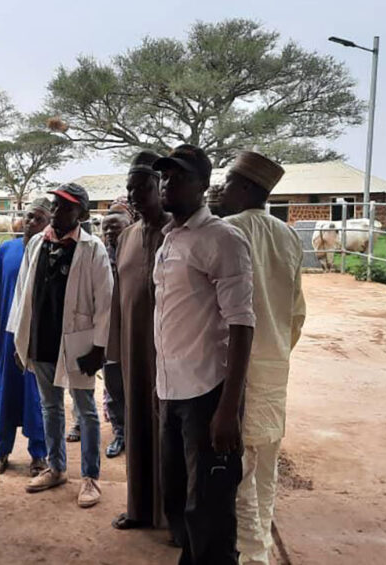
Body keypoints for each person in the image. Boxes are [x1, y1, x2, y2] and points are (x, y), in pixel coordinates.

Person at [152, 144, 255, 564]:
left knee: (210, 509)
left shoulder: (221, 239)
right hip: (171, 389)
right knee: (179, 500)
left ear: (203, 186)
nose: (167, 183)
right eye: (164, 176)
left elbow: (242, 324)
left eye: (179, 177)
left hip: (208, 392)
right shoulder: (170, 238)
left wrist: (228, 408)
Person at [220, 151, 306, 565]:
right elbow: (297, 313)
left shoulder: (226, 231)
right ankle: (257, 549)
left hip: (235, 372)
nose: (222, 186)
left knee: (240, 476)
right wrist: (277, 351)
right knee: (264, 470)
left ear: (249, 189)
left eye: (230, 180)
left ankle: (254, 556)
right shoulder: (287, 235)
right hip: (275, 368)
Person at [7, 183, 113, 509]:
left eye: (66, 208)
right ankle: (56, 468)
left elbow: (106, 302)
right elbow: (22, 294)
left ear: (80, 213)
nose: (57, 212)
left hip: (78, 344)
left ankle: (91, 478)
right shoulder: (38, 243)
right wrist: (18, 338)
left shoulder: (92, 249)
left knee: (86, 411)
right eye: (55, 206)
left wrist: (99, 348)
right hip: (41, 339)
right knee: (49, 407)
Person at [107, 150, 171, 531]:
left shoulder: (177, 232)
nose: (135, 195)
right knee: (136, 425)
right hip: (134, 350)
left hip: (171, 353)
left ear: (160, 188)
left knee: (168, 430)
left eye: (142, 187)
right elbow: (119, 297)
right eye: (130, 189)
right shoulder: (127, 237)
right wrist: (114, 350)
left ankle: (170, 514)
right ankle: (139, 508)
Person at [0, 198, 51, 476]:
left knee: (37, 394)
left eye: (39, 218)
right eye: (29, 217)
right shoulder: (6, 250)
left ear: (49, 223)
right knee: (5, 391)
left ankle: (39, 454)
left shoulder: (52, 252)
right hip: (7, 338)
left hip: (38, 338)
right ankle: (1, 450)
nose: (32, 223)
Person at [100, 200, 136, 458]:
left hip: (136, 333)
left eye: (117, 228)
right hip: (108, 334)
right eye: (107, 229)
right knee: (113, 387)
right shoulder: (98, 256)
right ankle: (120, 432)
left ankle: (138, 434)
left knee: (138, 384)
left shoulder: (139, 253)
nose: (111, 233)